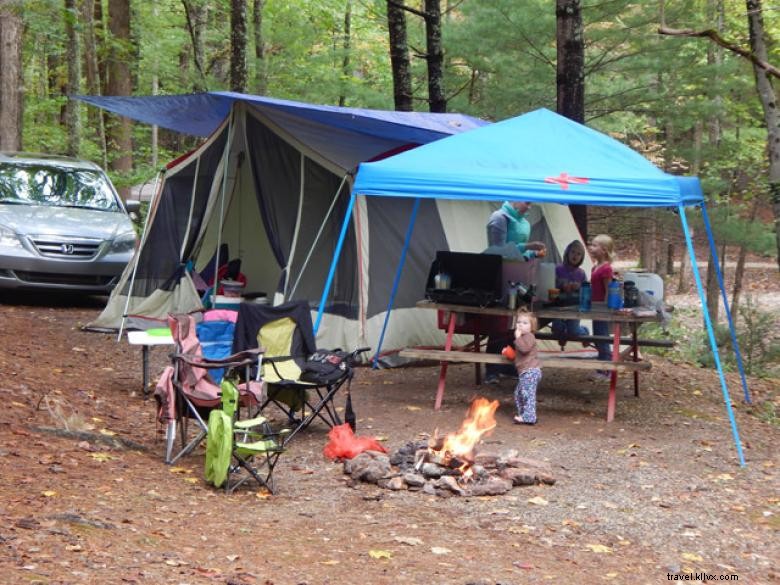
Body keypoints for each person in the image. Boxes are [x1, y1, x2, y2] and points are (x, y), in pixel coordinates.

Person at [484, 201, 546, 384]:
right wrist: (527, 246)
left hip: (519, 275)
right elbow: (498, 250)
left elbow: (518, 254)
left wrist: (532, 255)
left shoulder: (523, 222)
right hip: (499, 274)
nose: (529, 207)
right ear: (515, 199)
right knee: (499, 321)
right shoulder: (499, 218)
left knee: (516, 323)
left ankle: (509, 364)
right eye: (527, 202)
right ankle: (492, 369)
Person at [502, 309, 542, 425]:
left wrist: (517, 338)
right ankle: (524, 414)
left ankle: (529, 417)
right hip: (525, 372)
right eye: (519, 322)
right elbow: (520, 356)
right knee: (519, 393)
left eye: (525, 323)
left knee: (527, 394)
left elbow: (525, 349)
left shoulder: (529, 336)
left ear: (531, 327)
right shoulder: (523, 338)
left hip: (531, 371)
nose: (521, 325)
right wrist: (509, 353)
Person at [588, 234, 616, 381]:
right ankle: (601, 367)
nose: (591, 248)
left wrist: (606, 308)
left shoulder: (606, 269)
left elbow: (608, 290)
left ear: (604, 250)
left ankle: (606, 370)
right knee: (598, 337)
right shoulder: (595, 267)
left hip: (601, 308)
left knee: (603, 337)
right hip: (594, 306)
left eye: (594, 245)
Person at [550, 240, 589, 342]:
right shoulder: (558, 269)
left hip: (575, 307)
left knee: (573, 332)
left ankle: (584, 331)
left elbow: (586, 291)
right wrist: (562, 287)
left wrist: (579, 287)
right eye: (573, 252)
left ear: (582, 257)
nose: (575, 256)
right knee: (556, 329)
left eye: (578, 254)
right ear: (567, 253)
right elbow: (550, 287)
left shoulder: (581, 273)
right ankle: (562, 331)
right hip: (558, 306)